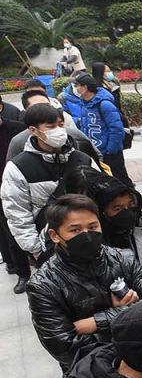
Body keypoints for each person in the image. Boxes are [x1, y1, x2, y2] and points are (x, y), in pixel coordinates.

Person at [26, 194, 142, 371]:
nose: (87, 235)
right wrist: (129, 317)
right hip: (90, 375)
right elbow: (64, 348)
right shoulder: (43, 285)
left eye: (92, 226)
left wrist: (97, 322)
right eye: (75, 230)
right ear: (55, 235)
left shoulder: (122, 258)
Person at [1, 103, 96, 293]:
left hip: (90, 239)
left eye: (60, 125)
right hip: (51, 247)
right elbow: (17, 214)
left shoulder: (82, 158)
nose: (59, 131)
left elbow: (101, 194)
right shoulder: (18, 167)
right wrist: (36, 250)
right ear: (33, 130)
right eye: (51, 127)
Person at [59, 73, 129, 183]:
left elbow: (116, 128)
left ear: (85, 87)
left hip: (109, 153)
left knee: (120, 180)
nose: (75, 88)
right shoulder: (84, 103)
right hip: (95, 151)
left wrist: (111, 150)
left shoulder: (104, 104)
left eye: (77, 85)